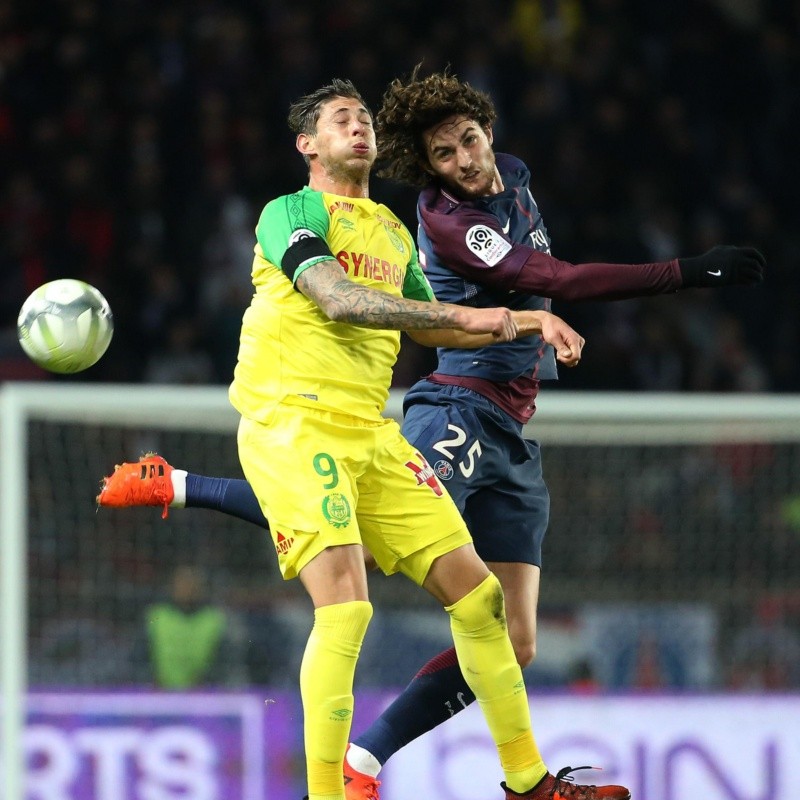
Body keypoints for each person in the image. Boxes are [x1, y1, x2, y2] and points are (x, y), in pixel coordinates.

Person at [100, 69, 764, 798]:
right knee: (349, 605)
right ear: (308, 144)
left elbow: (443, 321)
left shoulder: (389, 228)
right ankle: (329, 789)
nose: (358, 128)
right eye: (341, 119)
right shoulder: (288, 212)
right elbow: (338, 299)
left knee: (482, 604)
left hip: (371, 434)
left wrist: (529, 320)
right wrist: (488, 317)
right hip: (292, 425)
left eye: (365, 120)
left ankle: (529, 784)